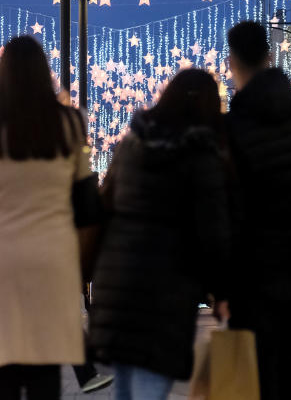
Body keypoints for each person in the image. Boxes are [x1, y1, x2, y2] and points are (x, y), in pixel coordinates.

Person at [0, 36, 91, 400]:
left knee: (3, 373)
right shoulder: (69, 125)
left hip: (0, 259)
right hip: (54, 259)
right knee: (45, 372)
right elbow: (86, 202)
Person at [89, 69, 232, 400]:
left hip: (118, 279)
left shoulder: (132, 144)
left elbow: (104, 204)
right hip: (167, 285)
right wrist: (222, 291)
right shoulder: (201, 153)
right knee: (151, 384)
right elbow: (212, 229)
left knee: (125, 385)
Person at [223, 21, 291, 400]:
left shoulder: (232, 126)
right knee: (290, 372)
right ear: (269, 57)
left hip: (249, 268)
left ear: (232, 63)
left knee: (251, 378)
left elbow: (224, 204)